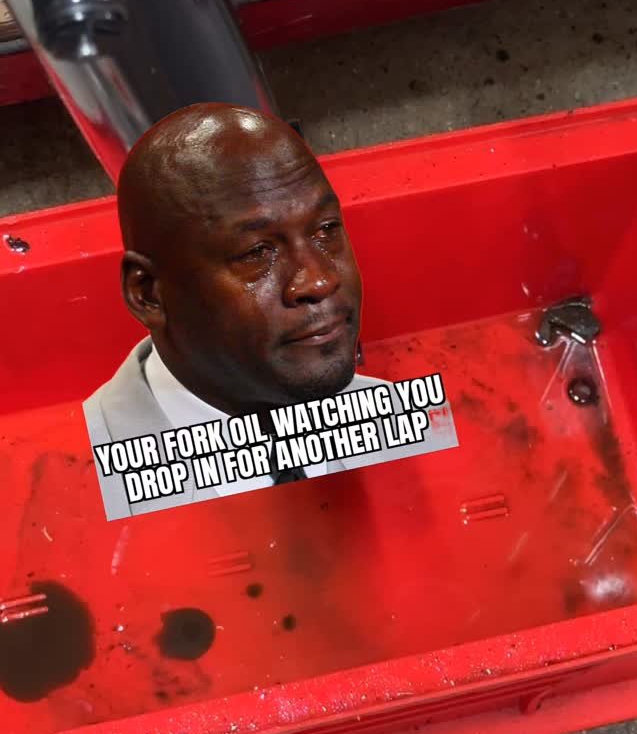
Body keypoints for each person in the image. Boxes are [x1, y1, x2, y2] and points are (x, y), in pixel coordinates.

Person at [84, 103, 457, 519]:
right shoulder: (69, 497)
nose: (319, 280)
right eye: (257, 252)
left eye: (326, 230)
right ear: (149, 294)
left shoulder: (415, 431)